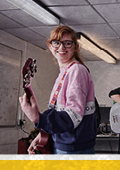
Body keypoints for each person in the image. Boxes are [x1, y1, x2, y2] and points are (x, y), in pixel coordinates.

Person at [19, 25, 97, 154]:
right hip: (64, 143)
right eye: (56, 43)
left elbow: (73, 115)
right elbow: (58, 111)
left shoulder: (76, 70)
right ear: (50, 46)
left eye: (67, 43)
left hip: (73, 149)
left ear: (75, 47)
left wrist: (38, 118)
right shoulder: (64, 72)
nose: (61, 48)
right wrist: (43, 135)